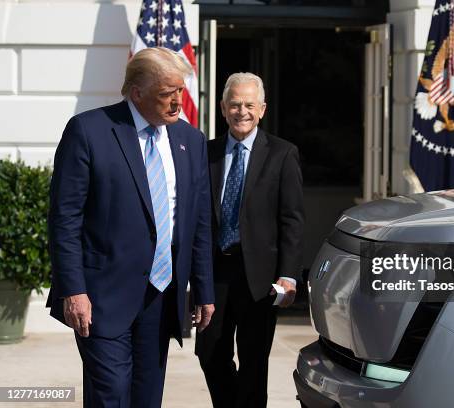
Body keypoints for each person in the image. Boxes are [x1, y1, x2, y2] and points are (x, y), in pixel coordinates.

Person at [47, 47, 215, 407]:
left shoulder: (190, 140)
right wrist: (73, 291)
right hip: (101, 297)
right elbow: (65, 219)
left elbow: (197, 221)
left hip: (162, 296)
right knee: (111, 395)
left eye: (180, 92)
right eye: (166, 94)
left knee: (146, 398)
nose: (176, 103)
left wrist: (203, 289)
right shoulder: (90, 131)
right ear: (137, 92)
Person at [195, 72, 304, 407]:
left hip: (260, 277)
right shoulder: (205, 152)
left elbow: (292, 220)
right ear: (224, 108)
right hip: (214, 273)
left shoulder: (282, 154)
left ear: (262, 109)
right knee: (210, 352)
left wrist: (288, 276)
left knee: (254, 362)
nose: (242, 111)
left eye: (249, 105)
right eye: (235, 104)